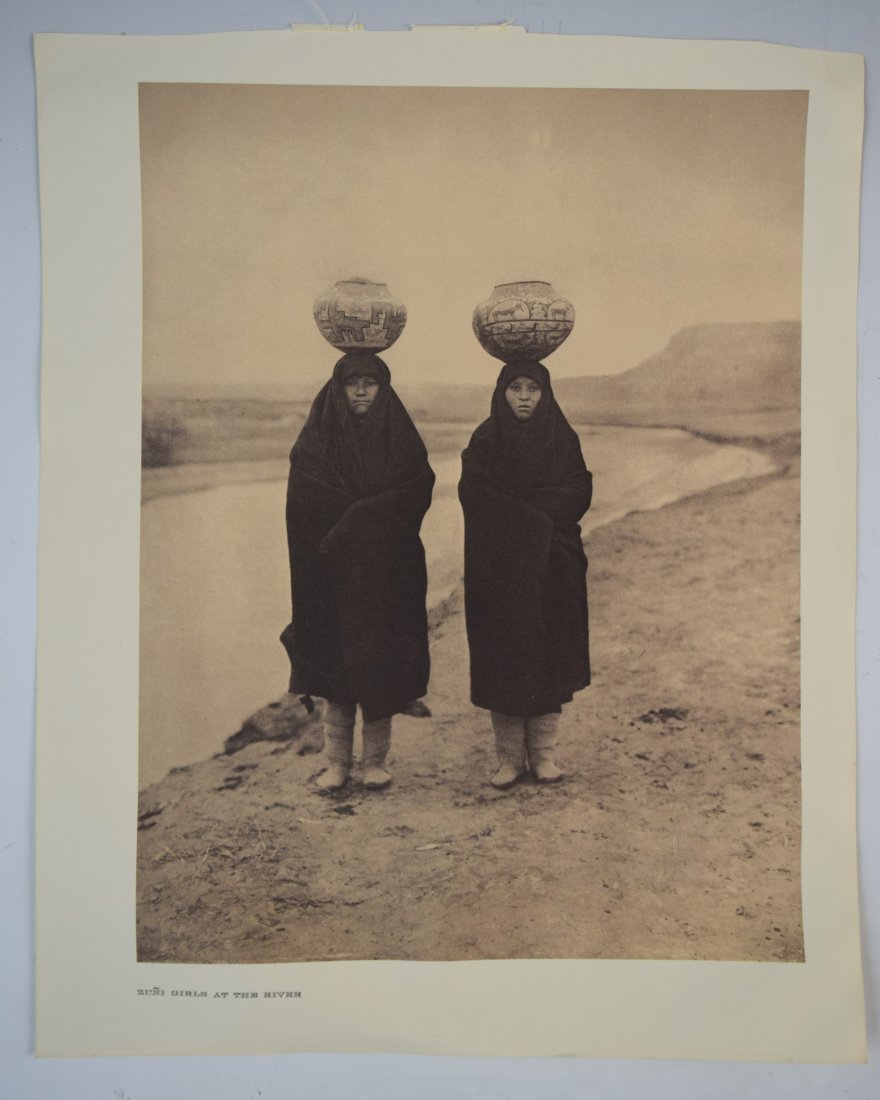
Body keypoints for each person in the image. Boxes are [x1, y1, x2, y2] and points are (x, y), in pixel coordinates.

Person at [280, 353, 434, 790]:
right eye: (353, 383)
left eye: (371, 382)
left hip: (386, 573)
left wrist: (361, 517)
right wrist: (343, 530)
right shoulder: (316, 440)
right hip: (328, 573)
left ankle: (374, 762)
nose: (362, 390)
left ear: (384, 388)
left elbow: (416, 490)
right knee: (336, 671)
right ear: (339, 388)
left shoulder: (400, 437)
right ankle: (335, 763)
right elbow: (303, 504)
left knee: (379, 666)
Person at [458, 361, 592, 788]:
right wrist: (534, 516)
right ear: (501, 392)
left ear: (545, 394)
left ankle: (545, 756)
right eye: (515, 388)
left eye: (533, 389)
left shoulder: (562, 438)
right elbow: (477, 498)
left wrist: (528, 515)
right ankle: (509, 760)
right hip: (499, 571)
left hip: (553, 567)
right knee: (505, 659)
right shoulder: (484, 440)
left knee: (547, 656)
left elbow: (578, 492)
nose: (523, 397)